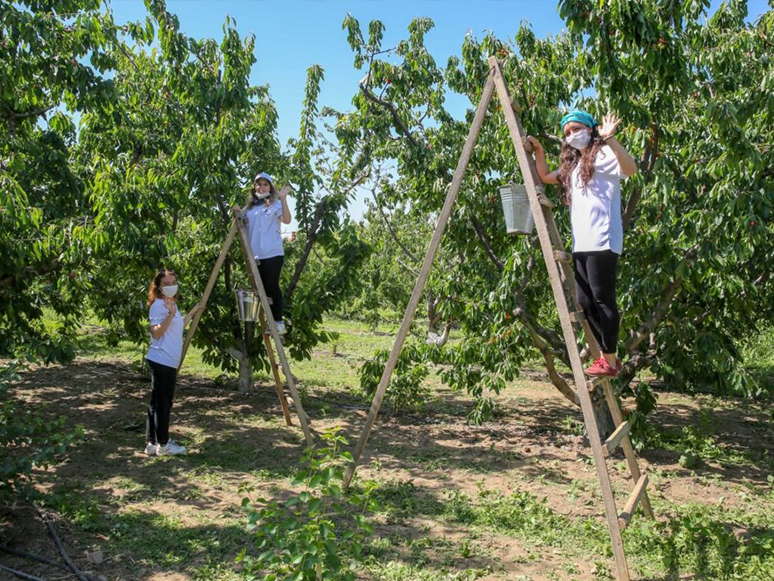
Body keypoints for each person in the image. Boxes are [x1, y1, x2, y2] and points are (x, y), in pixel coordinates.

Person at [528, 111, 638, 377]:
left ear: (590, 129)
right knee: (584, 302)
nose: (571, 135)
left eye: (575, 129)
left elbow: (631, 169)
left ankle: (609, 360)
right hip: (582, 243)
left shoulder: (602, 156)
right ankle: (608, 357)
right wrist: (539, 150)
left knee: (603, 299)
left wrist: (610, 138)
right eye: (566, 133)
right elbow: (544, 176)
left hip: (603, 239)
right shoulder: (574, 166)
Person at [144, 269, 201, 456]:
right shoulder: (158, 305)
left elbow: (178, 327)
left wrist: (193, 311)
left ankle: (151, 442)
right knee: (164, 403)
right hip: (163, 360)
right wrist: (169, 315)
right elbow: (156, 332)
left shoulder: (170, 303)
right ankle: (164, 444)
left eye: (173, 282)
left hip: (166, 360)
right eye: (166, 283)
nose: (171, 286)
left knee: (156, 402)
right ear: (158, 286)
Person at [245, 172, 293, 334]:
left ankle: (278, 323)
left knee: (272, 286)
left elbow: (286, 220)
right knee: (259, 289)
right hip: (255, 255)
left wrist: (283, 199)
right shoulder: (250, 207)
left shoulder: (276, 204)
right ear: (254, 187)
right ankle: (267, 323)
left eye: (265, 184)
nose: (261, 187)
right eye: (259, 184)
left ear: (270, 187)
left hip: (272, 253)